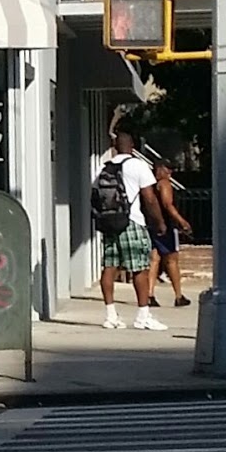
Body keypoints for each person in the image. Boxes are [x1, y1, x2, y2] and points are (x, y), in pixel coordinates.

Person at [98, 125, 169, 331]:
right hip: (132, 221)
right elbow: (149, 198)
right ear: (132, 146)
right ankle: (143, 315)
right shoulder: (137, 166)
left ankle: (111, 315)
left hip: (111, 223)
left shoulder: (105, 167)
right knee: (140, 268)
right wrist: (159, 222)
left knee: (109, 267)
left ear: (115, 146)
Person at [146, 159, 193, 308]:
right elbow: (167, 204)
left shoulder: (150, 185)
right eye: (168, 168)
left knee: (154, 259)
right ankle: (178, 295)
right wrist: (181, 221)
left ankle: (149, 294)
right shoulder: (165, 184)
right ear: (159, 169)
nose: (170, 172)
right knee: (172, 260)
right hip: (166, 225)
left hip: (152, 224)